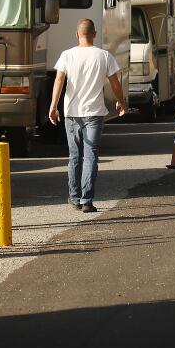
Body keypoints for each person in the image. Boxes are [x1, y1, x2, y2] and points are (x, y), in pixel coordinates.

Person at [48, 19, 127, 213]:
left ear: (77, 34)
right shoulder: (104, 56)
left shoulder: (67, 55)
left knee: (75, 156)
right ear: (95, 34)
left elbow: (59, 80)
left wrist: (53, 106)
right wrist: (121, 101)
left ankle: (74, 197)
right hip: (94, 112)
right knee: (90, 156)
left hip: (72, 113)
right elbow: (115, 83)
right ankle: (87, 200)